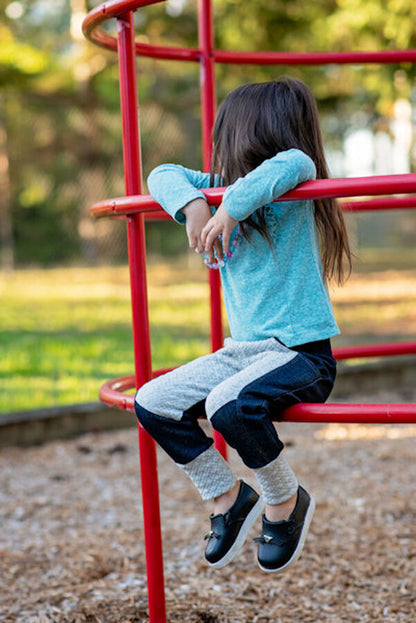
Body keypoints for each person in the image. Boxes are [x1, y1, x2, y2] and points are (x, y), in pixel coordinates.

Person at [135, 77, 351, 573]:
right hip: (243, 353)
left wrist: (230, 206)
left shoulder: (293, 187)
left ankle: (284, 501)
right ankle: (227, 498)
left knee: (227, 405)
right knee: (153, 402)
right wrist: (194, 205)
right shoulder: (213, 186)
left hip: (300, 355)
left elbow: (295, 161)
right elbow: (161, 173)